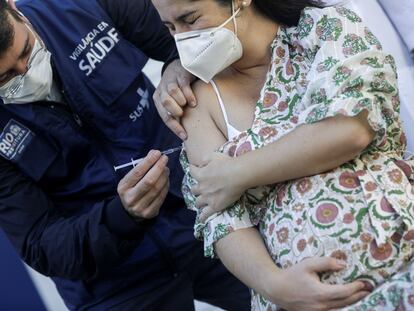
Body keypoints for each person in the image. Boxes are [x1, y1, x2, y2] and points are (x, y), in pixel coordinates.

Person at [152, 0, 414, 310]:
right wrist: (275, 286)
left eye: (189, 19)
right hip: (299, 300)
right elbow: (219, 219)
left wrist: (235, 174)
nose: (182, 39)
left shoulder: (325, 30)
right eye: (170, 28)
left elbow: (349, 129)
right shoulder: (197, 102)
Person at [0, 0, 252, 310]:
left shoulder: (81, 5)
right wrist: (121, 218)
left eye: (26, 51)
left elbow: (195, 38)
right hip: (113, 282)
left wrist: (180, 66)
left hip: (201, 210)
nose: (27, 73)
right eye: (5, 78)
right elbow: (39, 242)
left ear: (14, 6)